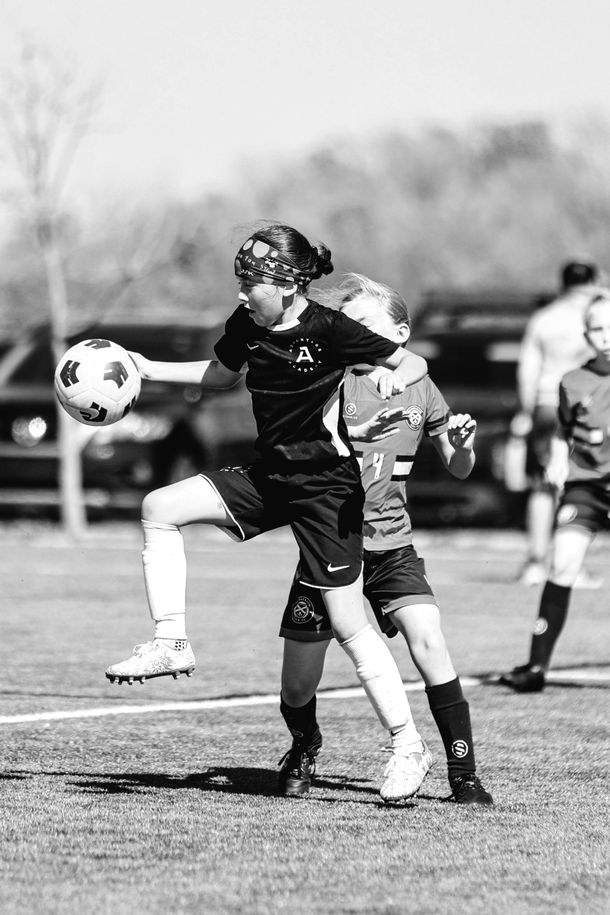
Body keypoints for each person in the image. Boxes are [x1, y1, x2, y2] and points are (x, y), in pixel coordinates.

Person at [105, 223, 430, 798]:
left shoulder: (330, 328)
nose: (240, 293)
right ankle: (171, 642)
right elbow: (222, 376)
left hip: (327, 489)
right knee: (160, 506)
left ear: (285, 284)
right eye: (239, 281)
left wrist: (389, 378)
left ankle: (407, 746)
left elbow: (414, 365)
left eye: (250, 283)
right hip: (270, 477)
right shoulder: (247, 325)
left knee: (349, 624)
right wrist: (146, 367)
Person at [276, 274, 494, 806]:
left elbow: (459, 467)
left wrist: (464, 446)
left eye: (364, 324)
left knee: (429, 639)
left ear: (399, 332)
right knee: (297, 688)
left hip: (392, 546)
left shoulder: (422, 386)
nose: (353, 333)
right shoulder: (332, 382)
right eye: (347, 324)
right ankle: (305, 742)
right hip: (330, 545)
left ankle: (463, 774)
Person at [501, 291, 610, 692]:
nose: (606, 336)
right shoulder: (572, 381)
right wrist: (560, 459)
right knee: (562, 564)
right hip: (588, 489)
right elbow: (564, 431)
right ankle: (535, 667)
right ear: (586, 334)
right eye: (598, 329)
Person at [511, 259, 601, 588]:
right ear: (592, 279)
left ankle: (536, 563)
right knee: (579, 485)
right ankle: (570, 567)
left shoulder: (544, 318)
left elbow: (528, 371)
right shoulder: (597, 315)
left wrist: (524, 411)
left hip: (546, 403)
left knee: (542, 484)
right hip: (586, 407)